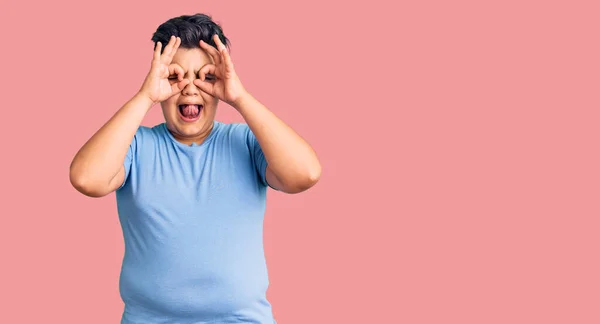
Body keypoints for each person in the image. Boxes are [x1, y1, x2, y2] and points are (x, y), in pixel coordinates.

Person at [69, 13, 321, 324]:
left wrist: (240, 97)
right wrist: (143, 97)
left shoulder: (244, 141)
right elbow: (86, 179)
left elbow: (305, 174)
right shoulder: (136, 146)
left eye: (206, 77)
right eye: (174, 77)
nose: (190, 88)